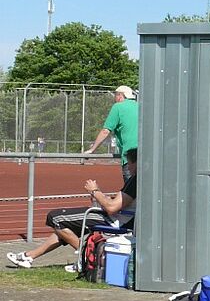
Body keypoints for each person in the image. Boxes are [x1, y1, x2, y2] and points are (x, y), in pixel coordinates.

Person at [7, 148, 137, 269]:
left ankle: (86, 257)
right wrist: (99, 196)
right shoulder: (137, 180)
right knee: (64, 228)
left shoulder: (135, 180)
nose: (127, 168)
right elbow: (116, 202)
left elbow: (112, 207)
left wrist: (95, 191)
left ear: (136, 163)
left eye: (129, 164)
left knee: (56, 218)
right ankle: (28, 257)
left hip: (114, 220)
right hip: (118, 217)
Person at [85, 86, 139, 184]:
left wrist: (92, 149)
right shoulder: (140, 106)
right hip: (146, 157)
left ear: (120, 95)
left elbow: (106, 131)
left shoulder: (118, 107)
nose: (115, 98)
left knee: (131, 190)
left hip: (130, 157)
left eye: (115, 95)